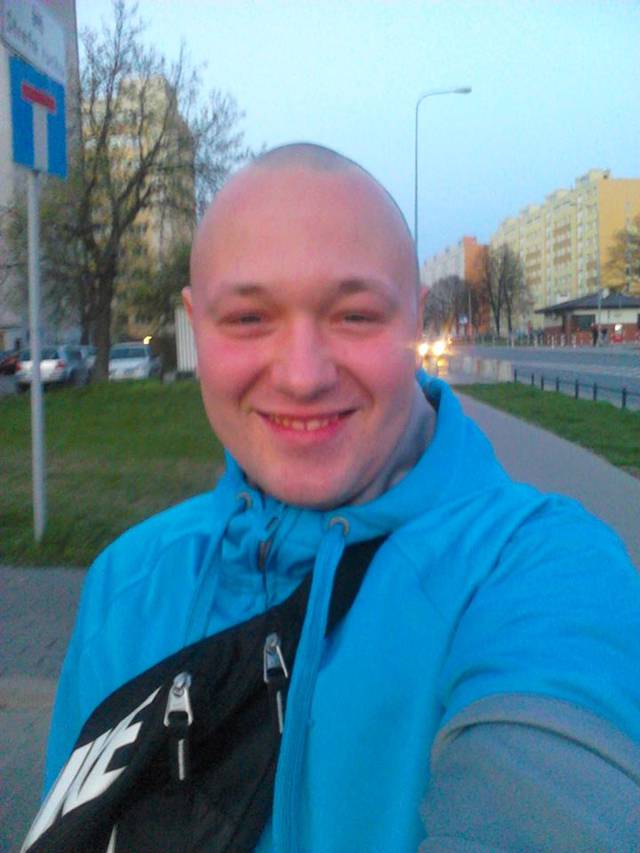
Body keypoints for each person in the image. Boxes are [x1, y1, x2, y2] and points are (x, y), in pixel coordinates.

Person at [35, 144, 640, 851]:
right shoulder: (127, 582)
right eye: (248, 318)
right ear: (197, 324)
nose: (302, 376)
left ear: (414, 318)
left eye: (354, 315)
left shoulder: (546, 569)